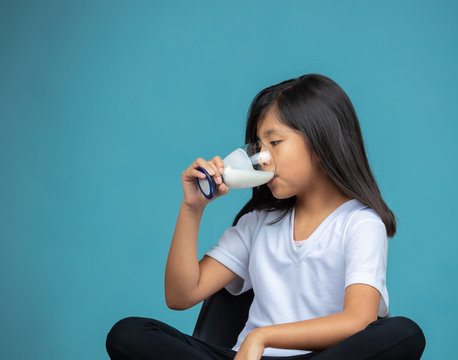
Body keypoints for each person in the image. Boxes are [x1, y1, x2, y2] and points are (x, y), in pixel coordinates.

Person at [106, 74, 426, 359]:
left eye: (274, 143)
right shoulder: (259, 223)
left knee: (405, 333)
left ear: (323, 145)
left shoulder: (360, 223)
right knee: (128, 333)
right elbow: (180, 295)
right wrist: (192, 208)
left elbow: (359, 319)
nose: (262, 160)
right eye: (259, 147)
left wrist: (263, 337)